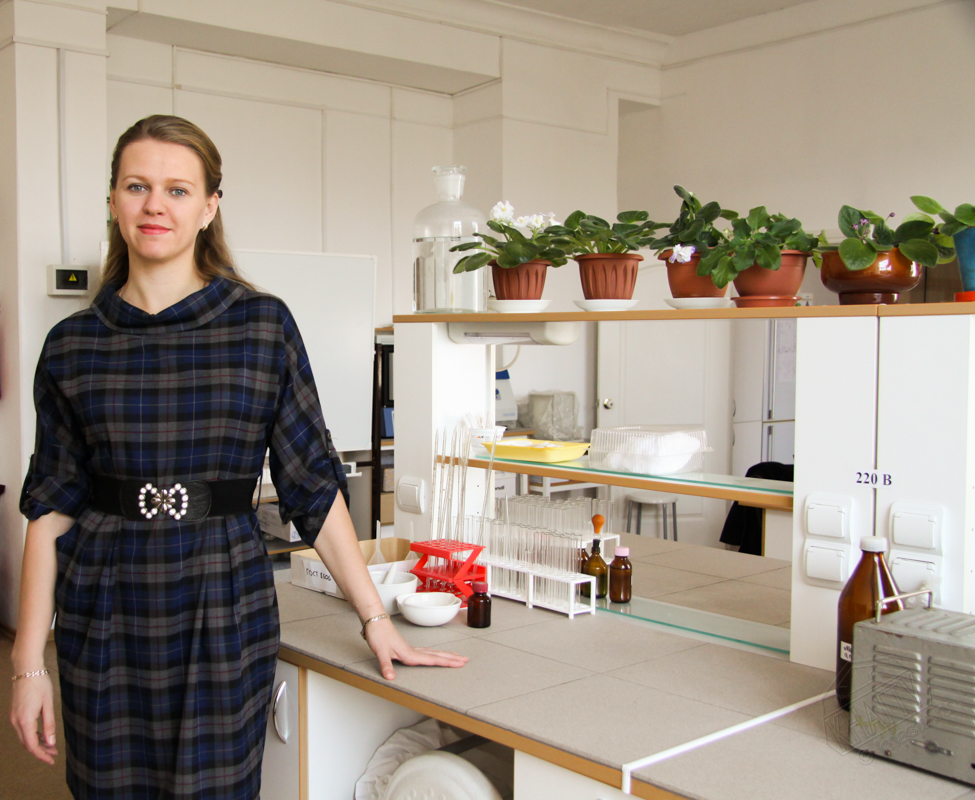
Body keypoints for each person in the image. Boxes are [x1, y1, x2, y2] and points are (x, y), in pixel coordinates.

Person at [9, 114, 467, 799]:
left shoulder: (260, 325)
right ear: (113, 201)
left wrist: (375, 617)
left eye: (177, 189)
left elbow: (311, 486)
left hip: (222, 599)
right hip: (103, 607)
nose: (155, 205)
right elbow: (50, 507)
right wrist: (27, 665)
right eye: (137, 186)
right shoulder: (73, 344)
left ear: (208, 207)